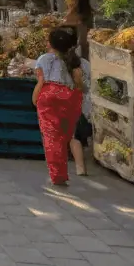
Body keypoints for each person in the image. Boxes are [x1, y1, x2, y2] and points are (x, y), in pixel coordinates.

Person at [32, 27, 88, 187]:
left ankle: (58, 176)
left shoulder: (43, 59)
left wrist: (36, 100)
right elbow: (79, 84)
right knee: (64, 137)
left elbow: (41, 83)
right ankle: (62, 173)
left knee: (51, 137)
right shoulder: (75, 61)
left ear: (50, 44)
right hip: (69, 97)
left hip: (49, 95)